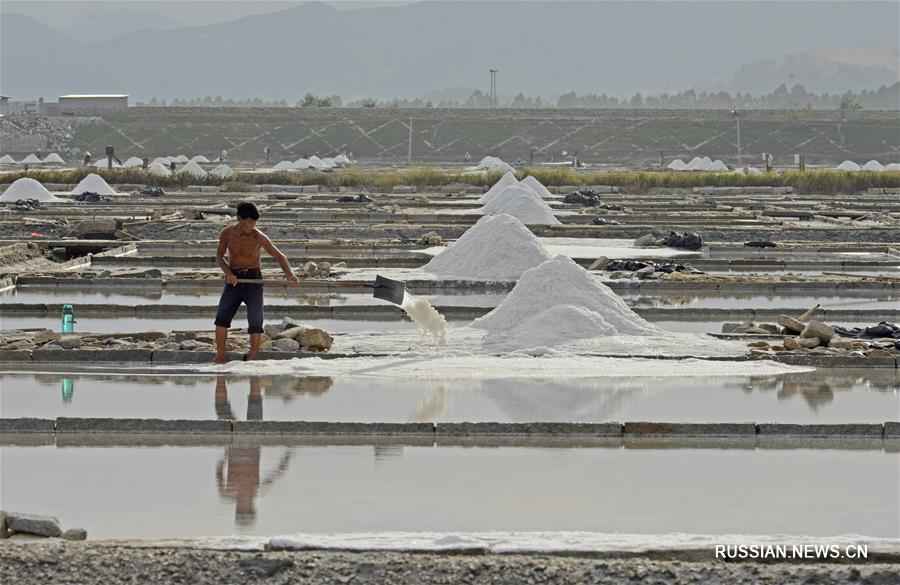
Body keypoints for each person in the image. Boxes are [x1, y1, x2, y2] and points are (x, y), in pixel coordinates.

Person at [213, 201, 299, 363]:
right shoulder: (226, 233)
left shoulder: (258, 236)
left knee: (255, 320)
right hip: (234, 279)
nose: (252, 226)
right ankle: (220, 354)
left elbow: (280, 257)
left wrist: (290, 275)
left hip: (253, 279)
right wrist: (229, 273)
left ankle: (254, 356)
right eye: (250, 222)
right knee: (222, 318)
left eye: (255, 223)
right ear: (239, 219)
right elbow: (219, 256)